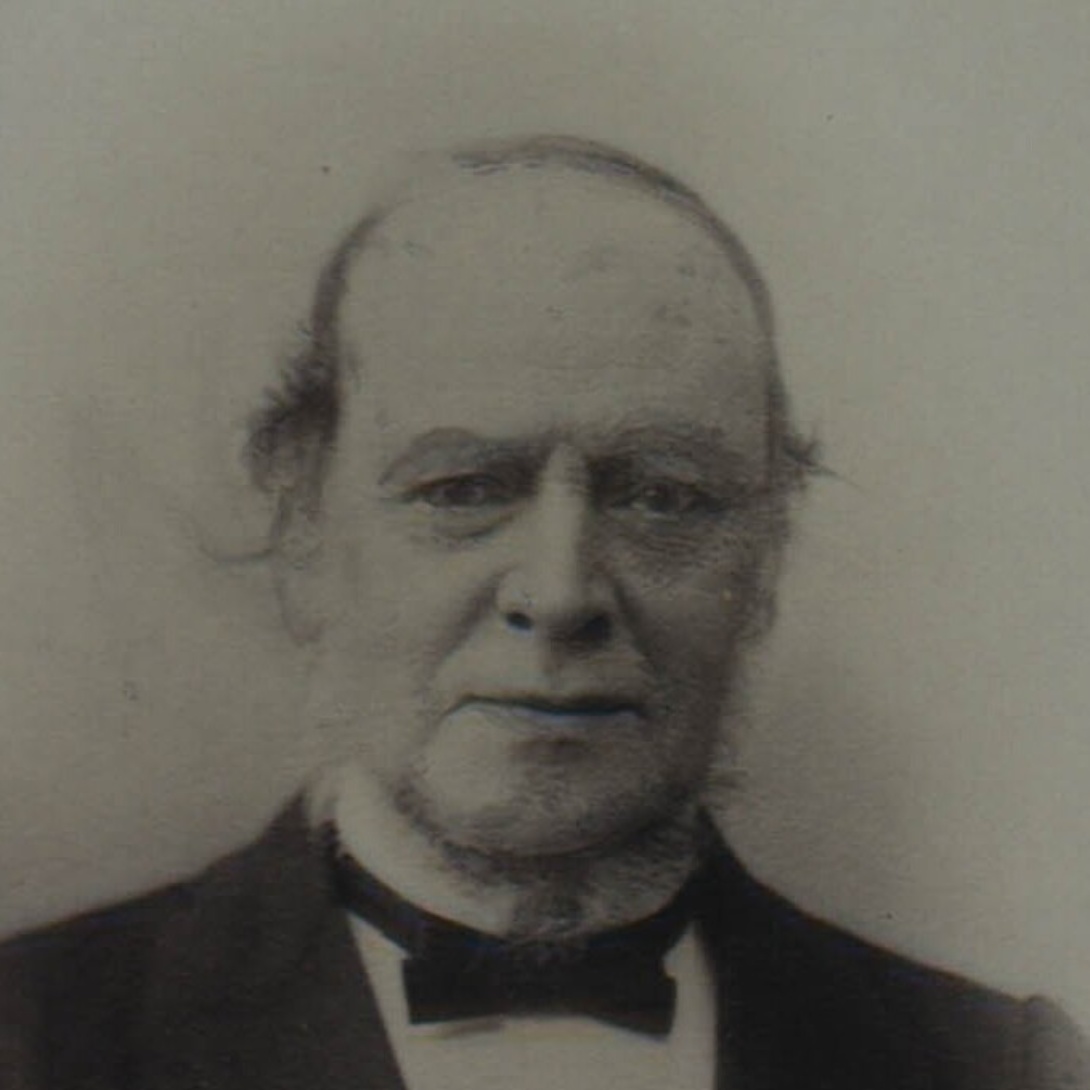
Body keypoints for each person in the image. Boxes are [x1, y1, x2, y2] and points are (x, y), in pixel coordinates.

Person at [0, 135, 1086, 1090]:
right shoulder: (34, 1042)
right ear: (305, 536)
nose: (560, 593)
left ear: (766, 560)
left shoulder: (1002, 1070)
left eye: (663, 497)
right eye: (462, 489)